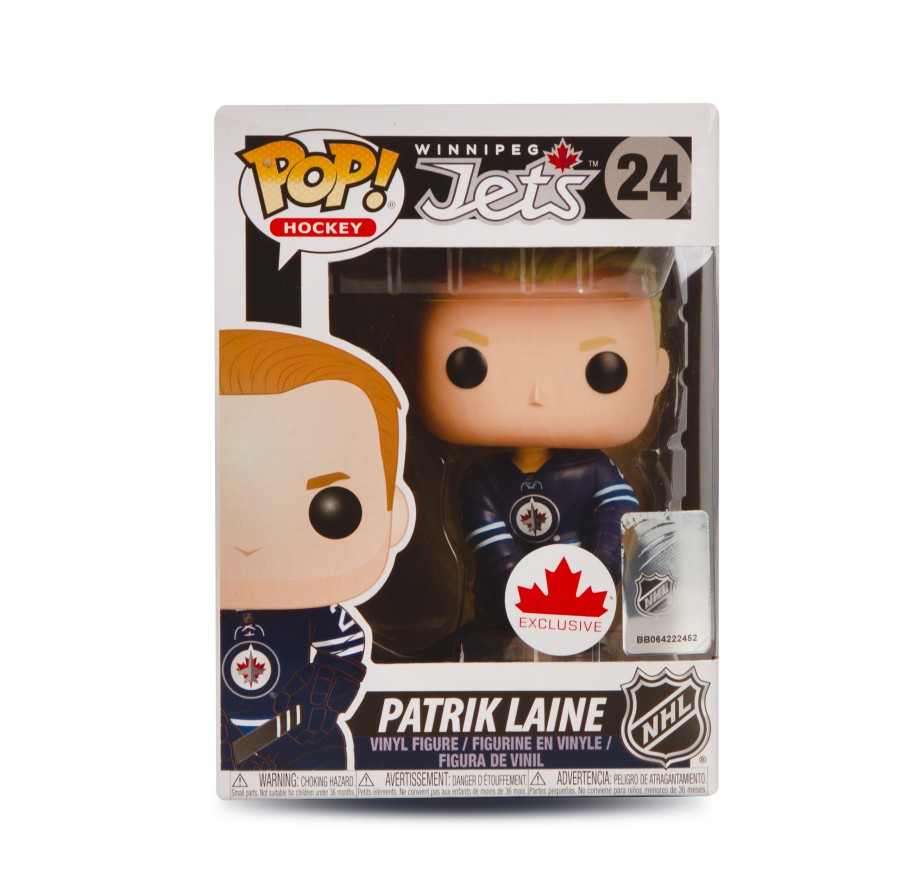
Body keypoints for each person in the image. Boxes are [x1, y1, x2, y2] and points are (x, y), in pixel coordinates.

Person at [415, 248, 670, 631]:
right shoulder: (483, 481)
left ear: (658, 372)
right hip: (505, 605)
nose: (537, 394)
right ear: (412, 367)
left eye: (603, 369)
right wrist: (521, 586)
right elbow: (492, 546)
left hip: (583, 601)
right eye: (469, 365)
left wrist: (597, 565)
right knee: (493, 639)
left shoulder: (593, 469)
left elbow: (618, 509)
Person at [219, 329, 410, 769]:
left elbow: (347, 642)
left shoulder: (312, 610)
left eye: (330, 507)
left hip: (298, 742)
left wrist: (326, 689)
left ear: (393, 513)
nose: (250, 541)